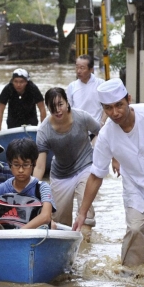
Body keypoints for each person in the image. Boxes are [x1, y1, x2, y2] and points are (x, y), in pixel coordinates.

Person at [73, 79, 144, 268]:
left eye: (119, 105)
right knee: (135, 229)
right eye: (108, 108)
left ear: (129, 99)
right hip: (134, 185)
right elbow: (96, 176)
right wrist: (82, 213)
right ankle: (129, 275)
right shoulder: (106, 135)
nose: (115, 113)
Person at [35, 87, 102, 235]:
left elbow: (102, 133)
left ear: (67, 102)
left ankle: (86, 249)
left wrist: (102, 154)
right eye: (53, 107)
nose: (58, 110)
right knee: (59, 223)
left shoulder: (82, 117)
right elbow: (40, 166)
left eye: (60, 104)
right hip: (60, 175)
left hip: (85, 166)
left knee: (85, 217)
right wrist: (31, 187)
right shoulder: (44, 131)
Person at [0, 139, 54, 230]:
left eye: (26, 165)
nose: (21, 170)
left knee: (52, 225)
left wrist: (20, 232)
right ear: (9, 164)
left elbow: (46, 216)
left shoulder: (42, 187)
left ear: (34, 164)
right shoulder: (1, 188)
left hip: (32, 232)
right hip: (5, 233)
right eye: (16, 165)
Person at [66, 55, 103, 120]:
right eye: (77, 67)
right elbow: (68, 109)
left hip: (97, 126)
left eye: (82, 68)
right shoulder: (72, 86)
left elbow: (108, 106)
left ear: (91, 69)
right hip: (78, 126)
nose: (78, 71)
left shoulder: (101, 84)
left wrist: (102, 122)